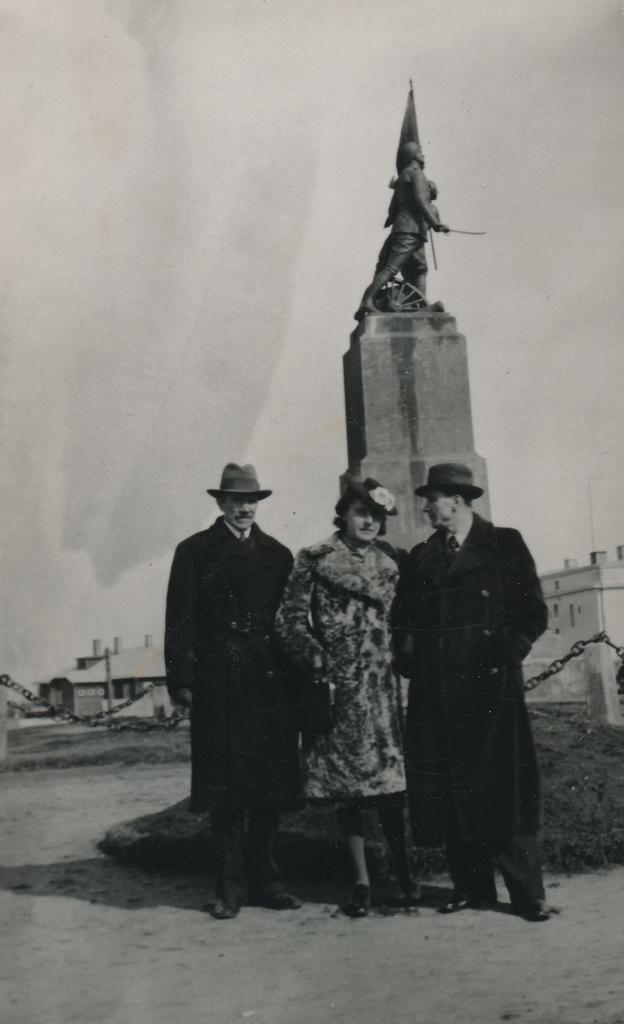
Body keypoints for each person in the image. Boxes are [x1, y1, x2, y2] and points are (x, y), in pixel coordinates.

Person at [393, 463, 554, 922]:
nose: (425, 508)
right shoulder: (422, 556)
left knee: (504, 791)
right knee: (448, 790)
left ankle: (528, 895)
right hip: (436, 692)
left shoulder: (505, 543)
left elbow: (532, 611)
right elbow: (403, 620)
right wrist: (408, 658)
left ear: (457, 501)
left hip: (490, 691)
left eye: (432, 499)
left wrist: (505, 652)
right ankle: (470, 888)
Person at [164, 463, 301, 920]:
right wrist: (182, 679)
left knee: (267, 789)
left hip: (269, 685)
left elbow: (292, 625)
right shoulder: (195, 552)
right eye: (237, 500)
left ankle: (268, 880)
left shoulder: (279, 555)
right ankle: (228, 887)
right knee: (225, 792)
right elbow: (180, 620)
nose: (245, 508)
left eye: (252, 500)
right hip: (219, 686)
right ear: (220, 503)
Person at [275, 476, 416, 917]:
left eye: (377, 516)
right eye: (362, 514)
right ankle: (360, 881)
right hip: (339, 691)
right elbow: (289, 621)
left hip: (382, 690)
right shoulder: (315, 559)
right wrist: (319, 662)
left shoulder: (391, 563)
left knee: (391, 788)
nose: (370, 522)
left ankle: (404, 877)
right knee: (348, 791)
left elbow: (405, 619)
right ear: (344, 515)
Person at [355, 142, 449, 320]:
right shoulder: (416, 174)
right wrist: (436, 223)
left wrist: (392, 218)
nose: (423, 155)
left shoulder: (402, 177)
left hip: (405, 228)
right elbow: (422, 201)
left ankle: (421, 306)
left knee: (420, 269)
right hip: (411, 230)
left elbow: (392, 209)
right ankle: (367, 301)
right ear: (414, 155)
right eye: (420, 152)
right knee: (392, 268)